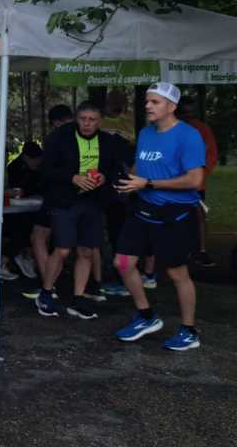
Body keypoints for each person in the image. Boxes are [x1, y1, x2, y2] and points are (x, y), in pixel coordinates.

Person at [112, 82, 205, 351]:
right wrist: (129, 182)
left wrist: (149, 183)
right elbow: (140, 165)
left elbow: (195, 179)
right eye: (147, 101)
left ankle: (189, 331)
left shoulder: (188, 136)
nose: (148, 106)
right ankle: (146, 315)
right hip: (142, 209)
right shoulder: (146, 133)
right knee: (123, 263)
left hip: (173, 214)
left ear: (171, 106)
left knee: (177, 273)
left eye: (155, 102)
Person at [34, 101, 123, 320]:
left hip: (93, 201)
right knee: (63, 249)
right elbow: (45, 169)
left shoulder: (107, 141)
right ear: (76, 118)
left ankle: (78, 297)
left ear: (100, 121)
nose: (87, 124)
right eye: (83, 119)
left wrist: (104, 177)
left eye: (92, 120)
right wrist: (72, 177)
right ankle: (46, 292)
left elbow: (115, 168)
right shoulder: (59, 138)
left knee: (87, 250)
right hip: (64, 201)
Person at [23, 105, 74, 300]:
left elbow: (47, 170)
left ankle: (48, 286)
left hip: (57, 197)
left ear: (56, 122)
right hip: (79, 199)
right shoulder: (87, 136)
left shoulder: (56, 138)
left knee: (40, 238)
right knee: (65, 246)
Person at [178, 96, 219, 267]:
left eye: (190, 114)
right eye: (186, 113)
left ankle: (199, 251)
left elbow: (211, 155)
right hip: (178, 182)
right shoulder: (175, 128)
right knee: (188, 216)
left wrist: (201, 174)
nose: (189, 117)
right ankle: (192, 251)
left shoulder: (201, 129)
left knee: (197, 215)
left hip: (192, 183)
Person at [5, 141, 44, 279]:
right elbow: (17, 188)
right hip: (16, 209)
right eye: (34, 160)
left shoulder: (41, 167)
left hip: (34, 206)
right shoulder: (14, 167)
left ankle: (25, 255)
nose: (37, 163)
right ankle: (15, 255)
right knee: (21, 226)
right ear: (26, 157)